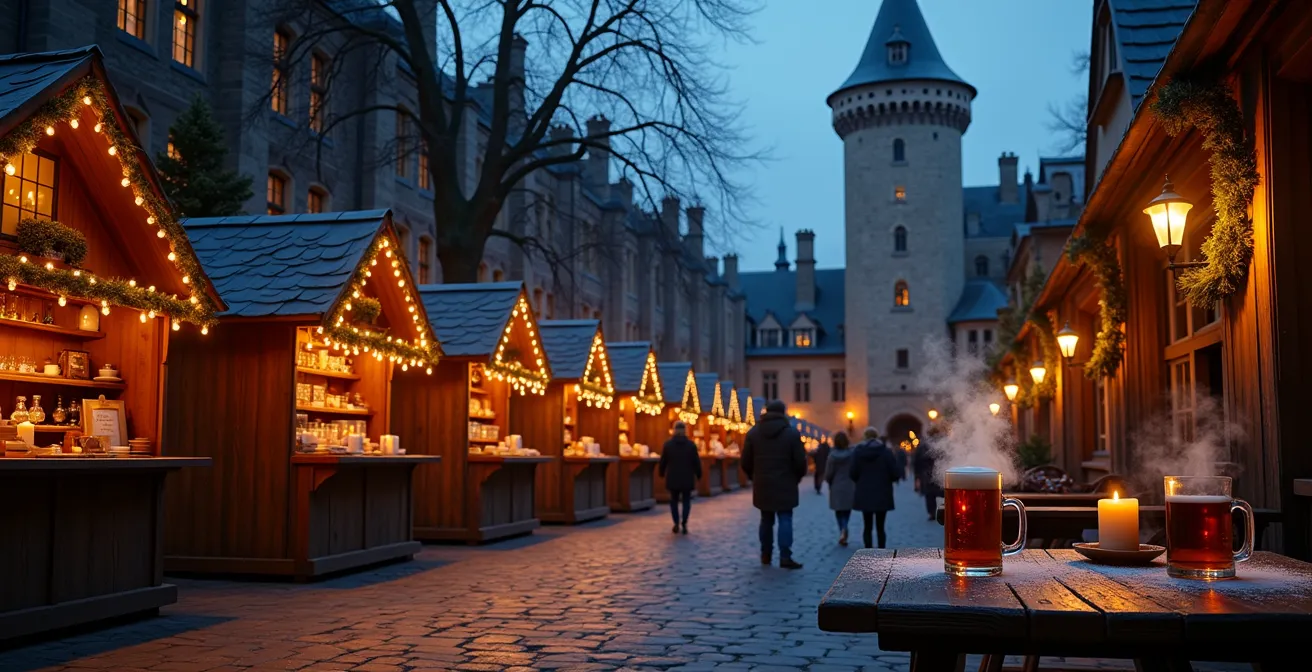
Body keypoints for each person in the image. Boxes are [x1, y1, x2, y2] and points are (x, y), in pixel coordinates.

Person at [742, 400, 808, 569]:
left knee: (766, 519)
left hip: (763, 483)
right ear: (783, 412)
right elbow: (800, 462)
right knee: (785, 518)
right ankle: (785, 556)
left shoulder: (753, 433)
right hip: (786, 482)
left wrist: (754, 476)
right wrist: (796, 477)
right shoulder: (792, 434)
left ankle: (766, 554)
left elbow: (745, 462)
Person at [850, 427, 901, 549]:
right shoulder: (886, 452)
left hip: (864, 492)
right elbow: (894, 473)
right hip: (882, 492)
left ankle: (868, 551)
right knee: (880, 526)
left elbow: (852, 473)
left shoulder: (858, 452)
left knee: (867, 526)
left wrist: (861, 481)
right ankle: (881, 551)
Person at [659, 420, 701, 534]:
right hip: (687, 477)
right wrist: (698, 474)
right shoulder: (691, 445)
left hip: (673, 477)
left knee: (674, 500)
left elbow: (663, 461)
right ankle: (684, 522)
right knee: (686, 500)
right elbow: (696, 461)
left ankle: (676, 522)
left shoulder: (668, 445)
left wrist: (661, 472)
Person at [822, 431, 856, 545]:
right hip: (849, 485)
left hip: (836, 485)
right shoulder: (851, 455)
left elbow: (828, 473)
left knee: (838, 511)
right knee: (847, 511)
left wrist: (829, 481)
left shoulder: (832, 456)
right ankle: (845, 527)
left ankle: (842, 529)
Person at [914, 425, 944, 522]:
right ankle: (942, 511)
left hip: (926, 474)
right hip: (940, 472)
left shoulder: (923, 445)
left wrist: (917, 476)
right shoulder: (943, 444)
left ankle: (931, 513)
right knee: (941, 493)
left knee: (930, 495)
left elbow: (916, 462)